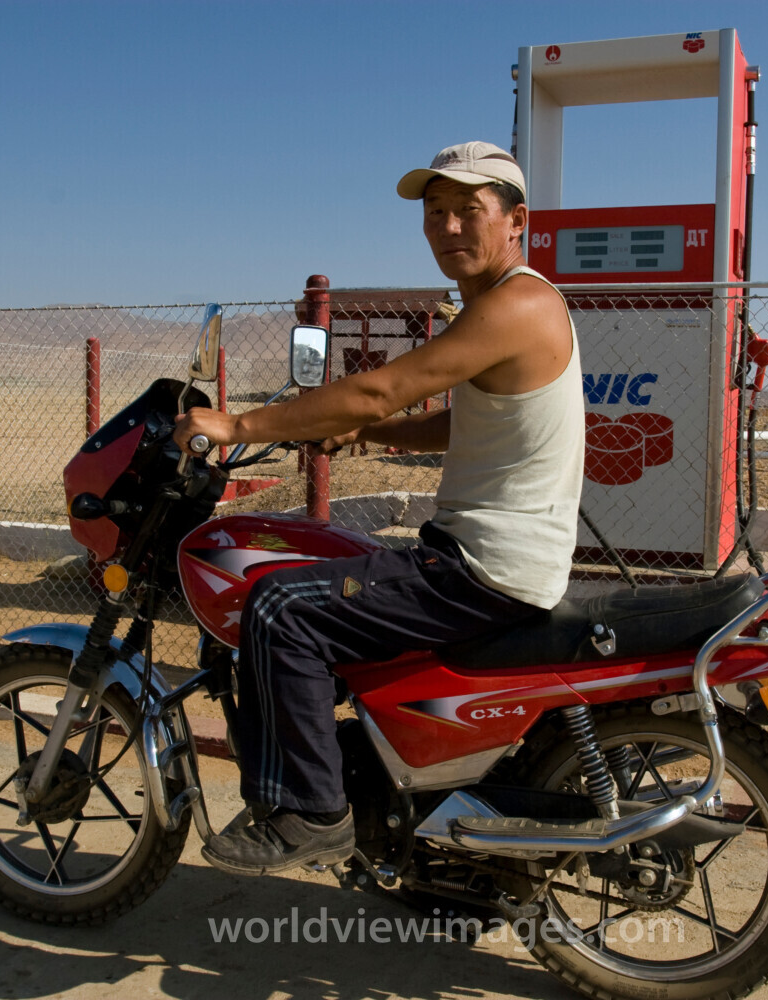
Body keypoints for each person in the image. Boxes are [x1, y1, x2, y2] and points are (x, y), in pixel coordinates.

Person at [173, 141, 584, 875]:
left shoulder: (518, 302)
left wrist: (236, 426)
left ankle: (312, 813)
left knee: (278, 607)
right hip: (488, 556)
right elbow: (472, 419)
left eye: (468, 212)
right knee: (318, 584)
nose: (448, 228)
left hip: (483, 567)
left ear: (516, 220)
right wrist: (375, 434)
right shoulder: (507, 303)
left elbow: (379, 385)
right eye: (435, 215)